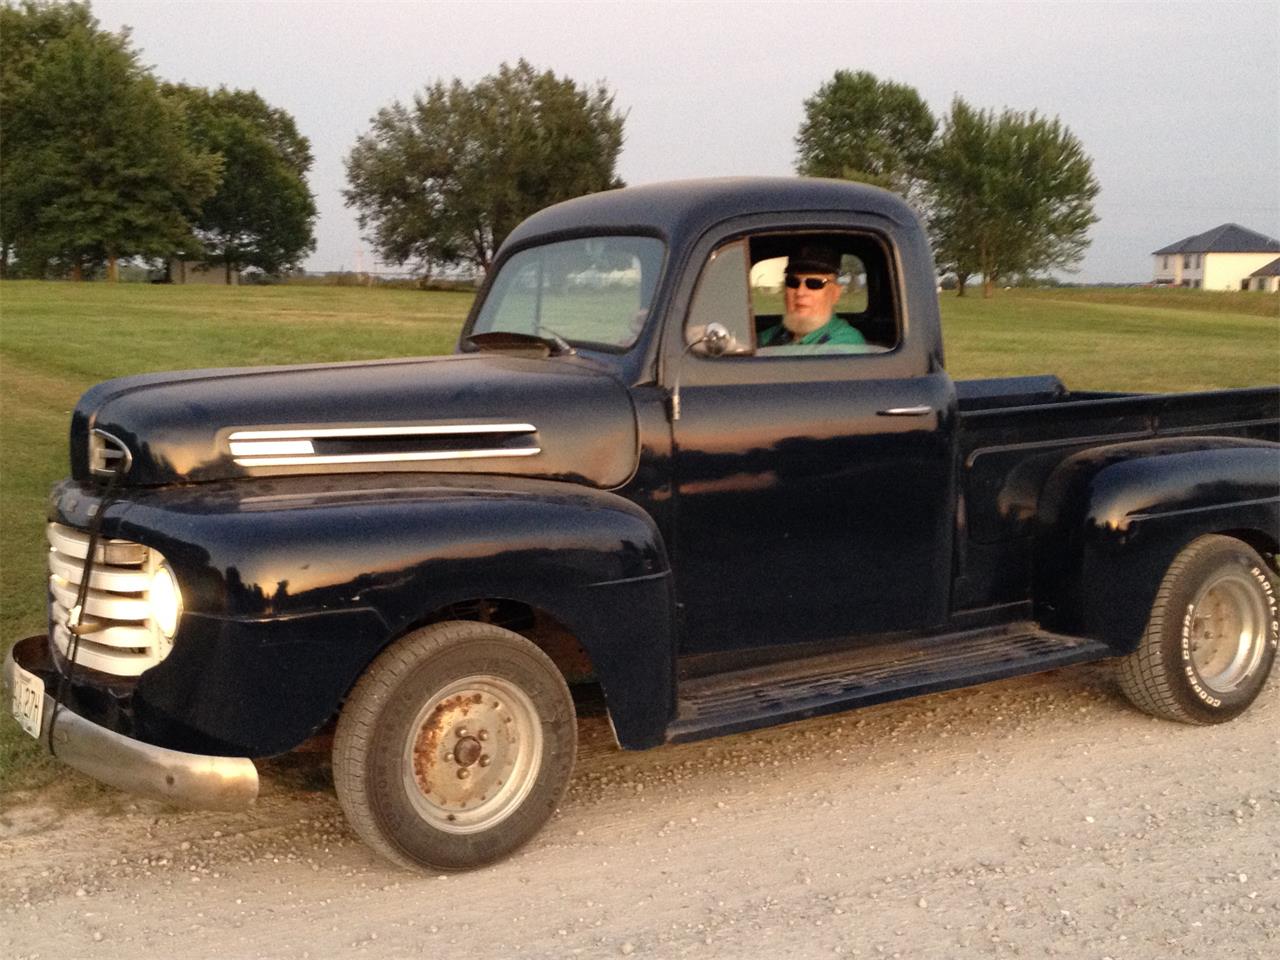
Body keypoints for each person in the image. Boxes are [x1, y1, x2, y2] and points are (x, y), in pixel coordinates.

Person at [757, 243, 866, 348]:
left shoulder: (846, 343)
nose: (800, 292)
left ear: (835, 294)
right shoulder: (773, 335)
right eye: (792, 282)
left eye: (814, 284)